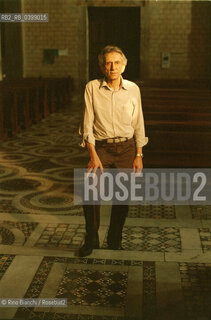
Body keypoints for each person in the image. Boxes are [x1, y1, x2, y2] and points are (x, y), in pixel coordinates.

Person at [79, 45, 148, 257]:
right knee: (90, 193)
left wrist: (138, 154)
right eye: (108, 63)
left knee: (122, 196)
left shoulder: (133, 89)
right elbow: (87, 124)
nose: (112, 67)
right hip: (101, 147)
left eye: (117, 63)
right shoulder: (92, 87)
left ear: (124, 66)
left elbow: (139, 123)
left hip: (127, 148)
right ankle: (91, 238)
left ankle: (115, 237)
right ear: (102, 67)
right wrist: (93, 155)